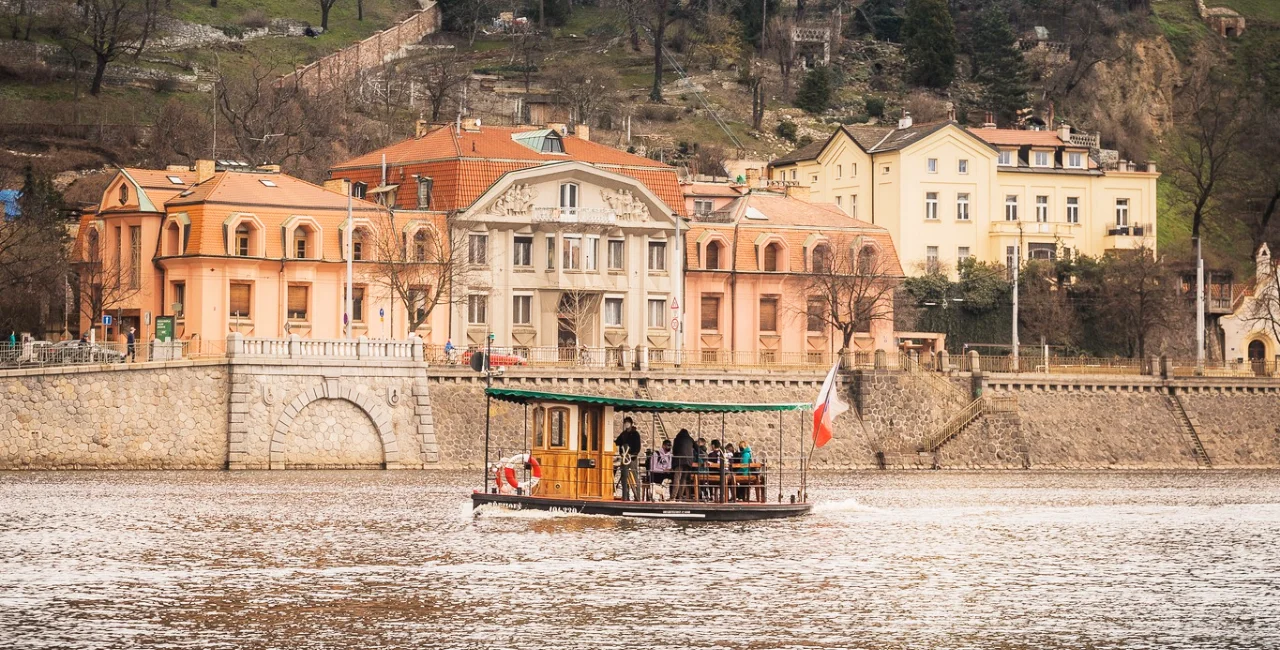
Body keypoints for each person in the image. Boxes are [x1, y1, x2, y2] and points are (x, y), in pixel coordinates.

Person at [614, 416, 642, 501]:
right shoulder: (623, 434)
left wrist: (634, 454)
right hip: (624, 458)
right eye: (625, 422)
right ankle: (625, 496)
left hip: (632, 458)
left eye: (628, 422)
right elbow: (617, 442)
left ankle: (637, 496)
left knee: (634, 476)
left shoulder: (635, 434)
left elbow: (638, 446)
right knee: (624, 477)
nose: (626, 424)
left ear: (631, 423)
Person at [671, 428, 695, 501]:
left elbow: (674, 450)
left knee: (677, 478)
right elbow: (697, 448)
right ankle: (680, 496)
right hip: (688, 461)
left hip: (679, 460)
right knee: (683, 479)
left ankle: (673, 496)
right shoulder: (690, 439)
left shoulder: (677, 439)